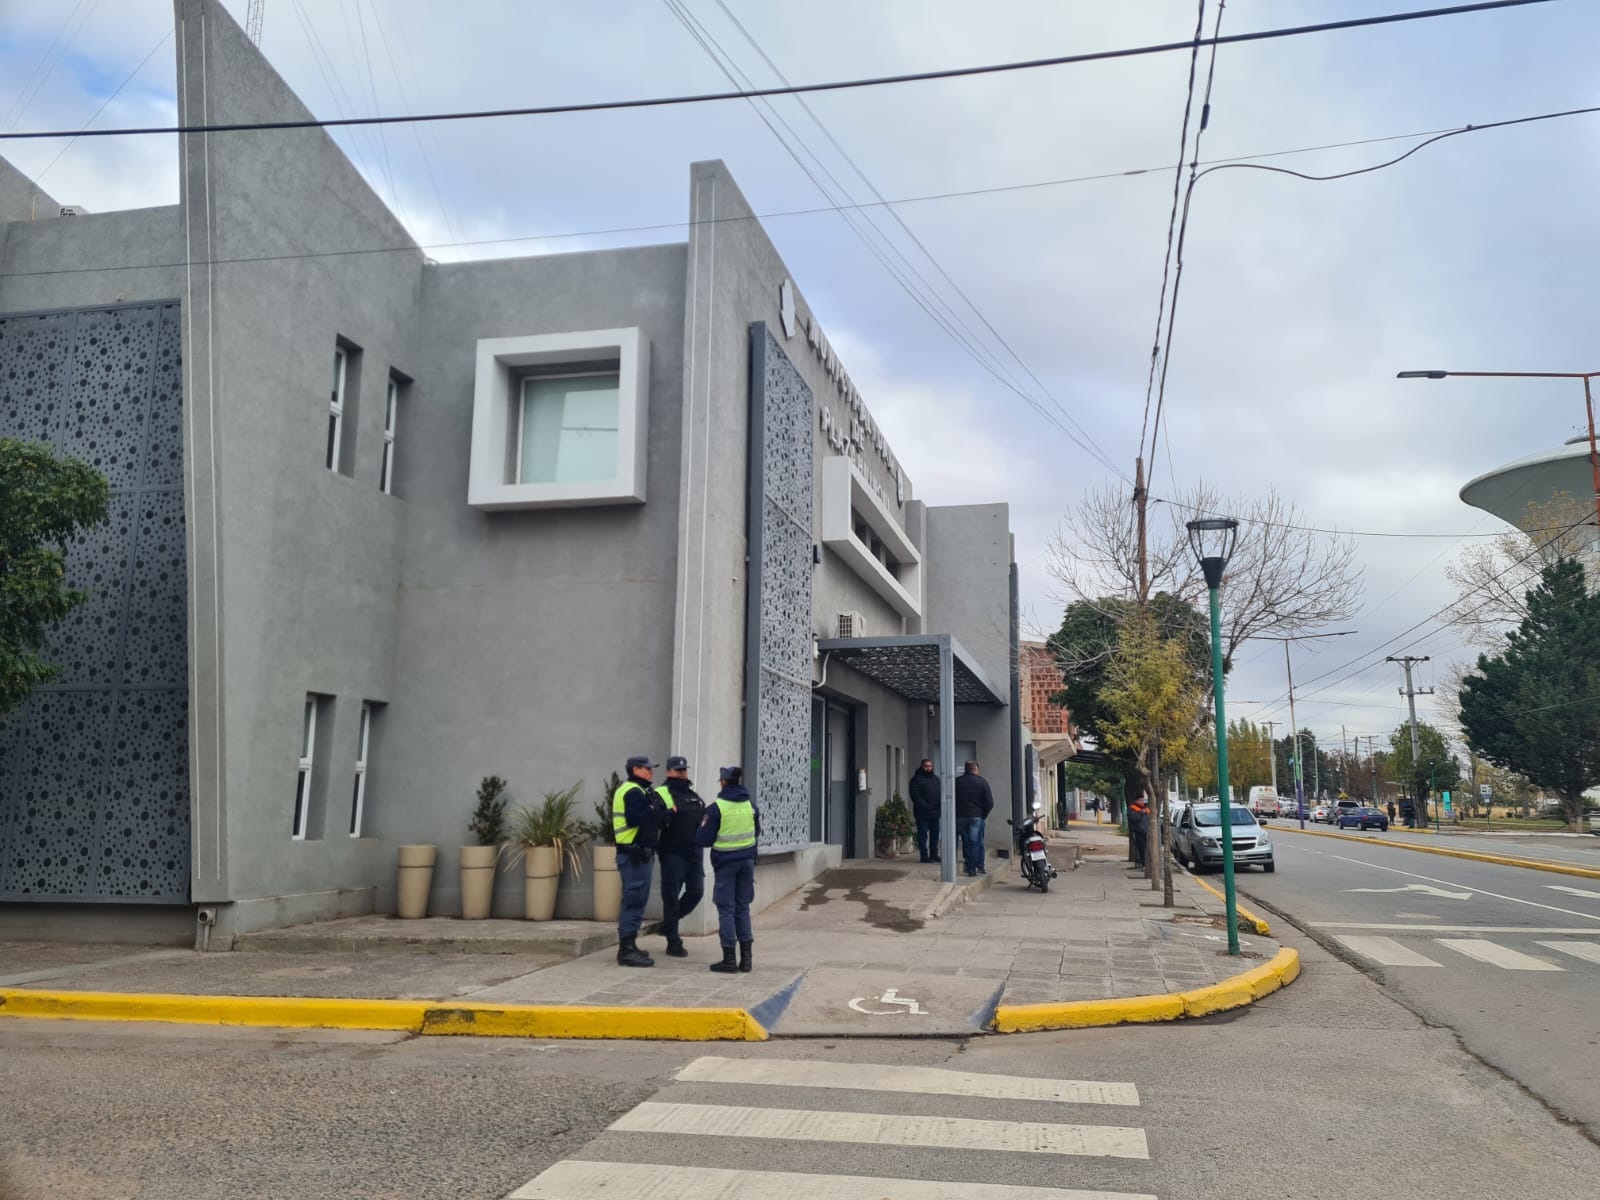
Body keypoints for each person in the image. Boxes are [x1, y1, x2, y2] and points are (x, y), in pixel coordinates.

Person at [699, 765, 760, 973]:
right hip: (747, 863)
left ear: (723, 782)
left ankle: (729, 960)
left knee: (726, 909)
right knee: (743, 908)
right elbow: (756, 831)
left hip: (726, 864)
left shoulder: (716, 808)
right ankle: (747, 960)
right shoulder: (750, 806)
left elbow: (704, 839)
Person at [612, 755, 666, 968]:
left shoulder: (641, 791)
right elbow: (636, 818)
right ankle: (626, 950)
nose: (651, 772)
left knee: (638, 900)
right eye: (647, 769)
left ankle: (630, 945)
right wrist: (653, 810)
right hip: (633, 854)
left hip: (641, 854)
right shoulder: (632, 792)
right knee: (633, 901)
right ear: (635, 769)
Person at [655, 754, 706, 958]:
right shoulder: (661, 793)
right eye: (678, 770)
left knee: (696, 892)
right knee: (671, 897)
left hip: (694, 853)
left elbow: (703, 816)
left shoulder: (693, 795)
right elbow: (655, 820)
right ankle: (673, 941)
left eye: (684, 770)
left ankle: (668, 924)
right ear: (669, 771)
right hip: (672, 853)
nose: (682, 773)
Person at [954, 760, 994, 877]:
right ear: (976, 769)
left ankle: (962, 862)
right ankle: (973, 869)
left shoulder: (957, 782)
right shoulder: (982, 782)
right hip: (976, 817)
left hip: (960, 816)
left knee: (964, 841)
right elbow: (989, 802)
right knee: (975, 843)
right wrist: (983, 814)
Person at [908, 758, 941, 863]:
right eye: (926, 766)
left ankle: (934, 854)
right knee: (923, 836)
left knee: (935, 835)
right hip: (922, 813)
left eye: (930, 766)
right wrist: (927, 806)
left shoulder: (935, 778)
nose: (928, 768)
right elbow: (915, 796)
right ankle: (924, 856)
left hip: (935, 813)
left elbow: (940, 792)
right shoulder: (916, 779)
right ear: (922, 766)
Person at [1127, 793, 1150, 869]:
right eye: (1141, 800)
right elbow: (1133, 819)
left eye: (1143, 800)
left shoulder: (1146, 808)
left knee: (1147, 849)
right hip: (1138, 832)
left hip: (1146, 832)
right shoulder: (1132, 808)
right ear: (1136, 801)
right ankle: (1143, 864)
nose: (1142, 802)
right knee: (1141, 849)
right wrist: (1141, 813)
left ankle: (1147, 863)